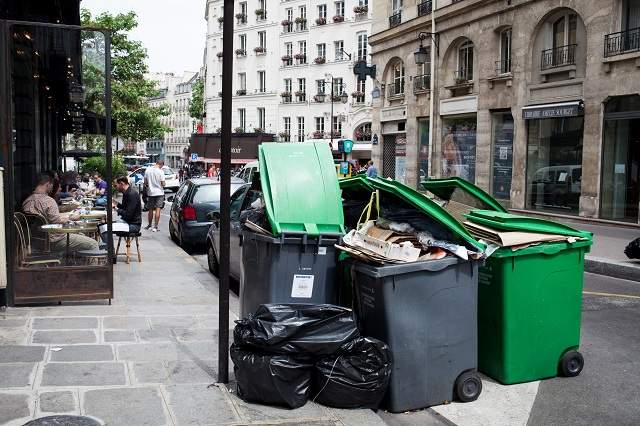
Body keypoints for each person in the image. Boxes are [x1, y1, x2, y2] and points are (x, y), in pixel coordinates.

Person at [22, 174, 98, 253]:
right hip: (54, 241)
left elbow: (48, 218)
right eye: (51, 185)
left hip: (36, 241)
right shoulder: (48, 201)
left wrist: (67, 215)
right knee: (93, 244)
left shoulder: (27, 201)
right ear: (48, 184)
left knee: (81, 236)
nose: (52, 188)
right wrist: (71, 217)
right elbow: (56, 221)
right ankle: (91, 265)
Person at [99, 176, 142, 242]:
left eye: (116, 185)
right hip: (128, 222)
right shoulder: (127, 193)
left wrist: (114, 208)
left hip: (133, 225)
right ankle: (108, 249)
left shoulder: (131, 194)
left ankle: (109, 251)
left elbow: (128, 214)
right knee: (102, 225)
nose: (115, 188)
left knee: (104, 228)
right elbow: (125, 208)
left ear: (122, 184)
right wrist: (115, 202)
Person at [144, 160, 166, 232]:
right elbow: (163, 184)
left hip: (151, 192)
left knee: (150, 209)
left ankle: (149, 225)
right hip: (159, 193)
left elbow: (145, 182)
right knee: (158, 209)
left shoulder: (148, 170)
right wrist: (164, 184)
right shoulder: (160, 172)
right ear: (161, 164)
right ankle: (155, 227)